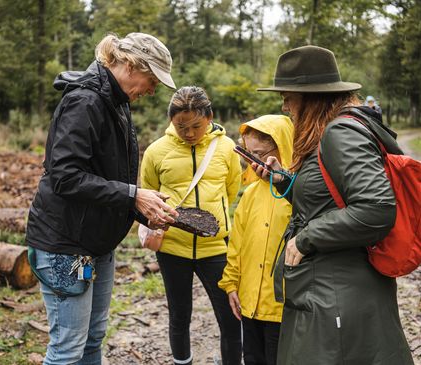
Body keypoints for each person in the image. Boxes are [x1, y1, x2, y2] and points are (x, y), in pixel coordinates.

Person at [253, 45, 414, 364]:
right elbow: (328, 196)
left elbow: (375, 209)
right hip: (326, 289)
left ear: (311, 96)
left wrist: (307, 238)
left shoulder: (341, 133)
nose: (285, 106)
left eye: (288, 96)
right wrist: (284, 180)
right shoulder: (329, 132)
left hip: (337, 294)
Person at [25, 32, 178, 365]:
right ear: (130, 65)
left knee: (93, 340)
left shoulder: (116, 103)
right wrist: (133, 195)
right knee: (67, 349)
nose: (152, 90)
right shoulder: (86, 101)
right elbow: (65, 176)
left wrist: (144, 208)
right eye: (151, 80)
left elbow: (111, 178)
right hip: (65, 243)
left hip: (95, 243)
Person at [140, 86, 242, 365]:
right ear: (171, 121)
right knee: (179, 315)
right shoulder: (156, 151)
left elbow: (232, 189)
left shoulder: (227, 147)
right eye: (180, 126)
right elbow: (148, 195)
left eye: (196, 125)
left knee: (231, 318)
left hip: (216, 248)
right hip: (173, 248)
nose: (189, 133)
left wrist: (213, 218)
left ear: (209, 117)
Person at [218, 115, 293, 365]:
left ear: (282, 147)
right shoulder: (249, 194)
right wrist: (231, 285)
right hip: (250, 302)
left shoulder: (299, 191)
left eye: (259, 154)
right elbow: (236, 244)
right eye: (248, 154)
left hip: (283, 307)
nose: (253, 162)